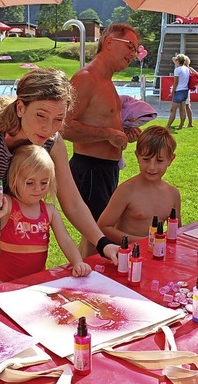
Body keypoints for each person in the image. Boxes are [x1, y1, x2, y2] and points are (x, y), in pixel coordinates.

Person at [0, 68, 118, 297]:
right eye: (41, 115)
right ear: (20, 107)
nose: (49, 128)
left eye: (58, 119)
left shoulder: (52, 142)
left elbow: (73, 202)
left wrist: (103, 243)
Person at [62, 23, 141, 257]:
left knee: (96, 232)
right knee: (96, 232)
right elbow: (64, 126)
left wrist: (123, 134)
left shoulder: (107, 82)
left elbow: (101, 124)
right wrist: (108, 134)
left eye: (136, 50)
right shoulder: (86, 78)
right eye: (129, 46)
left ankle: (87, 276)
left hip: (105, 169)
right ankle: (88, 281)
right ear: (108, 43)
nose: (133, 54)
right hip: (90, 168)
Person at [0, 146, 92, 283]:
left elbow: (65, 240)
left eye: (44, 182)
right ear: (14, 180)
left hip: (37, 282)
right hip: (6, 283)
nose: (38, 188)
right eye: (30, 183)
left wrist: (77, 262)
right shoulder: (8, 204)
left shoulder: (50, 211)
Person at [97, 126, 181, 244]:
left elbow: (177, 232)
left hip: (157, 255)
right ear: (137, 157)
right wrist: (144, 242)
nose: (152, 167)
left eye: (159, 161)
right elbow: (103, 227)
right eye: (146, 159)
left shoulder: (173, 194)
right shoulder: (126, 191)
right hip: (127, 256)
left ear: (171, 159)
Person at [166, 54, 190, 130]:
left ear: (178, 61)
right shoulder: (186, 69)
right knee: (182, 109)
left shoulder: (177, 70)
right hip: (185, 90)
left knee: (173, 110)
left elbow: (175, 82)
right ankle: (181, 124)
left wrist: (172, 93)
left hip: (178, 91)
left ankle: (168, 125)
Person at [179, 55, 197, 129]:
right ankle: (190, 122)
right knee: (187, 106)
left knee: (182, 107)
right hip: (187, 89)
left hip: (182, 89)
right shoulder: (190, 69)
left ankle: (182, 123)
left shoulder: (183, 69)